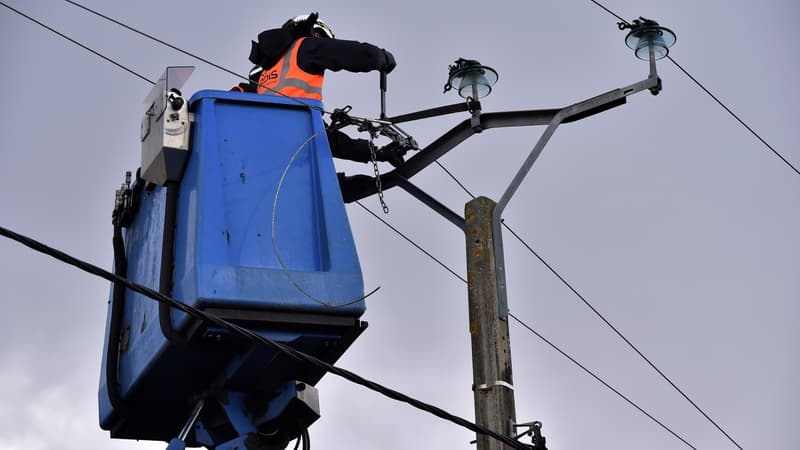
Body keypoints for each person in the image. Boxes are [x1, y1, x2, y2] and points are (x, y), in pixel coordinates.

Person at [233, 13, 407, 201]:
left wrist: (375, 152)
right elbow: (361, 55)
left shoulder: (268, 75)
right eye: (320, 37)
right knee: (328, 188)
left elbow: (323, 138)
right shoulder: (304, 47)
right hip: (292, 157)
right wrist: (382, 58)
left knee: (333, 186)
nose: (323, 44)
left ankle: (341, 186)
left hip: (274, 157)